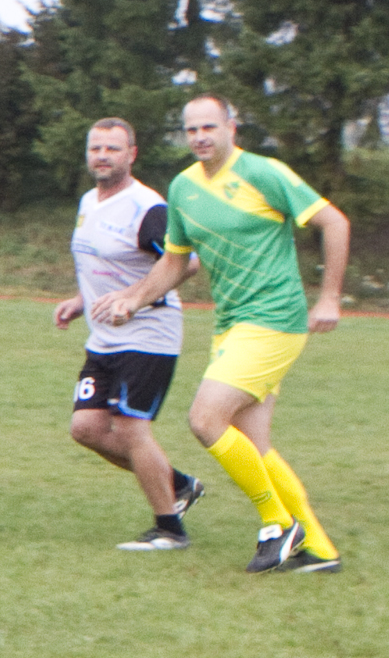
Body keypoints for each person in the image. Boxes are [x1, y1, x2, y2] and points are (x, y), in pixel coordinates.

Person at [94, 94, 351, 575]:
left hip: (275, 319)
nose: (200, 137)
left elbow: (333, 221)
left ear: (232, 127)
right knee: (253, 444)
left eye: (209, 127)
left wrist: (330, 296)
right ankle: (318, 549)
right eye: (191, 130)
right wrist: (135, 296)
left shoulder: (263, 173)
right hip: (231, 323)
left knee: (205, 418)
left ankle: (278, 524)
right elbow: (173, 262)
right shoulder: (184, 188)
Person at [53, 117, 203, 550]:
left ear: (131, 154)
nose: (102, 156)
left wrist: (134, 297)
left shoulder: (147, 207)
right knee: (86, 427)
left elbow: (186, 261)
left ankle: (169, 530)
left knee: (130, 427)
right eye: (96, 148)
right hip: (103, 337)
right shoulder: (88, 201)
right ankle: (178, 484)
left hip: (149, 332)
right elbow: (103, 265)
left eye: (112, 149)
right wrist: (81, 300)